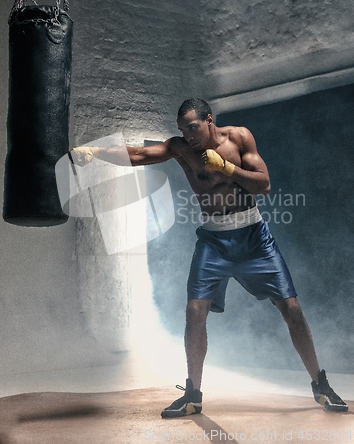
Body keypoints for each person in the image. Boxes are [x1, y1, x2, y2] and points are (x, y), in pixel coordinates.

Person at [70, 98, 348, 415]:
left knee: (292, 308)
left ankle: (321, 386)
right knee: (194, 312)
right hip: (214, 240)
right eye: (183, 130)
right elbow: (140, 154)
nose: (188, 135)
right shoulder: (180, 148)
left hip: (254, 236)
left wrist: (227, 168)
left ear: (209, 120)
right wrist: (96, 153)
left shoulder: (240, 137)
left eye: (193, 128)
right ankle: (193, 396)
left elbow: (265, 185)